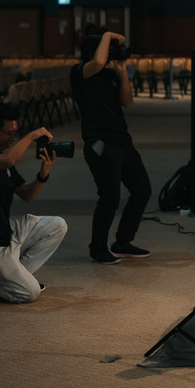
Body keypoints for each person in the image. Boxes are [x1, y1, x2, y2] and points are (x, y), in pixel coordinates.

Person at [0, 102, 67, 304]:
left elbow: (26, 195)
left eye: (15, 134)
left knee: (57, 225)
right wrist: (31, 136)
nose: (12, 139)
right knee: (30, 293)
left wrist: (43, 174)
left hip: (5, 233)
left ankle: (13, 276)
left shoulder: (3, 161)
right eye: (9, 133)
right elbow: (8, 160)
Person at [69, 26, 151, 264]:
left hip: (122, 141)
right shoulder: (80, 72)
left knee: (142, 190)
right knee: (110, 197)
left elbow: (127, 101)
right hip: (100, 143)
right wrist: (109, 35)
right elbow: (98, 60)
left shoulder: (110, 74)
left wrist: (123, 71)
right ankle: (98, 248)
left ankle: (123, 242)